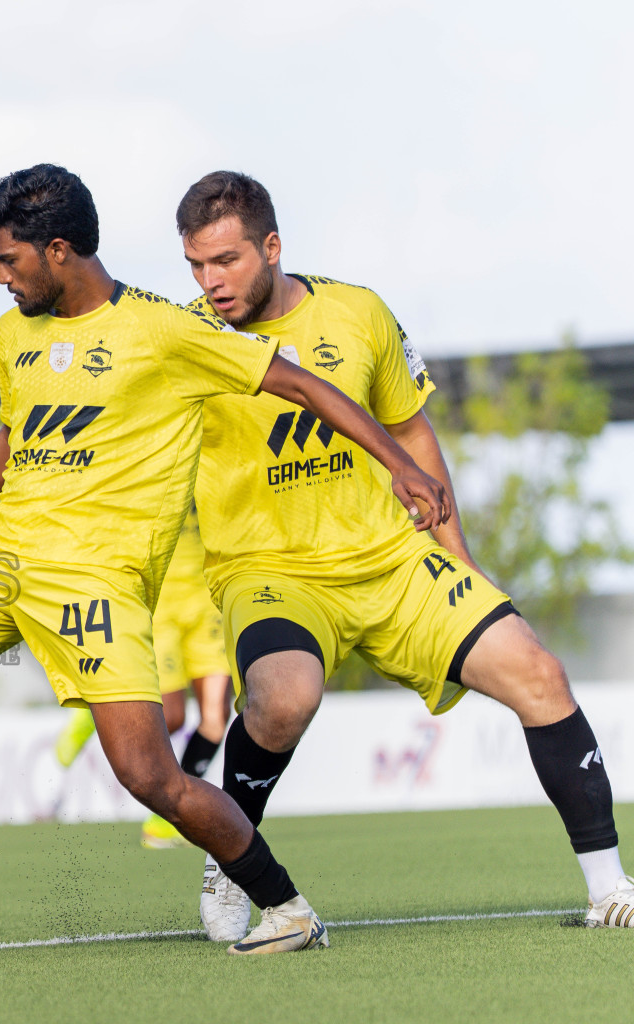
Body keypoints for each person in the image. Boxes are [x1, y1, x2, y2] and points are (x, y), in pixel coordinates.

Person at [0, 163, 452, 969]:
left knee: (150, 778)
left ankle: (285, 907)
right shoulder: (14, 332)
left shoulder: (167, 331)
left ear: (58, 251)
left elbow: (302, 387)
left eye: (9, 260)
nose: (0, 278)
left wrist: (403, 467)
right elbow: (18, 431)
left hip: (95, 584)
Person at [176, 170, 633, 940]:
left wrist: (457, 556)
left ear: (273, 246)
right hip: (272, 573)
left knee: (539, 674)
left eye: (227, 261)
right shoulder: (183, 338)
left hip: (393, 564)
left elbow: (415, 435)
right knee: (284, 699)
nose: (211, 282)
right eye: (195, 265)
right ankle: (231, 859)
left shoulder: (359, 313)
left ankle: (610, 890)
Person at [54, 506, 233, 850]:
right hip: (161, 603)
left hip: (206, 599)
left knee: (216, 718)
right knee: (172, 717)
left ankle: (167, 821)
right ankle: (95, 708)